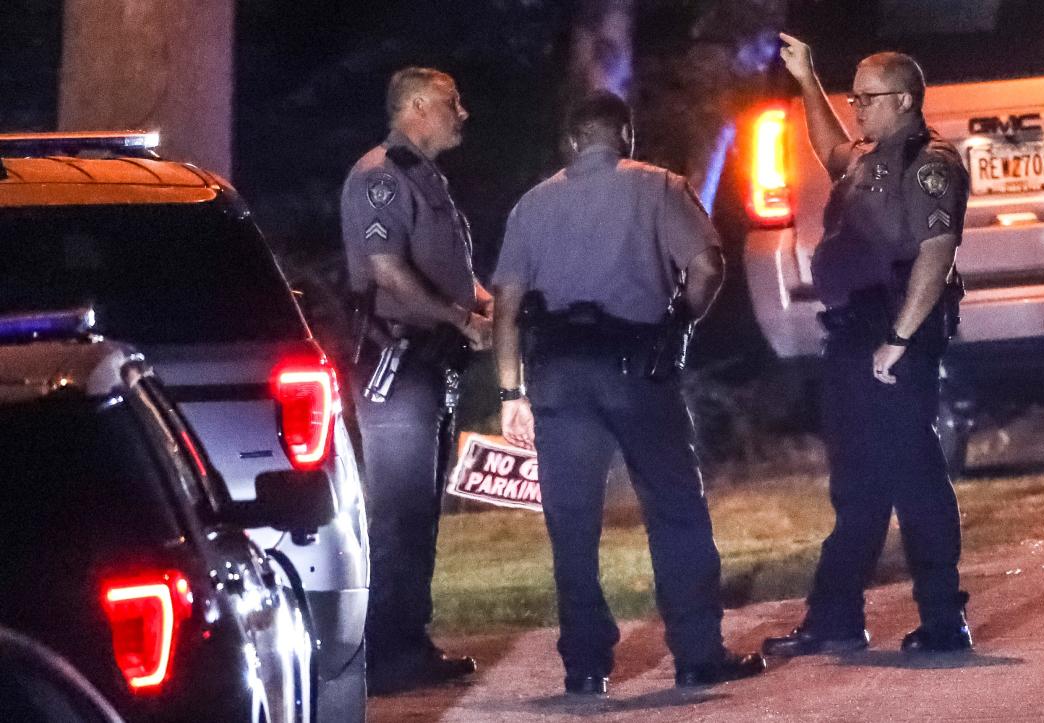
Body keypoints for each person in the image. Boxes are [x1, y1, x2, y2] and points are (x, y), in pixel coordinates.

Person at [491, 91, 766, 696]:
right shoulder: (661, 188)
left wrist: (511, 391)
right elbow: (708, 266)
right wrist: (681, 321)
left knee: (572, 523)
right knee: (674, 509)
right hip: (637, 368)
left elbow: (506, 306)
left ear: (571, 142)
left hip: (558, 373)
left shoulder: (532, 204)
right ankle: (697, 653)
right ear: (626, 136)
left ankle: (585, 666)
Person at [761, 36, 973, 657]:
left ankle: (942, 620)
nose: (856, 108)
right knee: (855, 477)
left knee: (914, 476)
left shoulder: (929, 163)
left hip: (893, 330)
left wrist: (901, 338)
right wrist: (807, 78)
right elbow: (829, 148)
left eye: (867, 97)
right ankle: (836, 617)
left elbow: (937, 254)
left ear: (904, 100)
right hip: (854, 332)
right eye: (852, 97)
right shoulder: (867, 157)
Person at [340, 66, 492, 689]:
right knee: (398, 513)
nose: (464, 113)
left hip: (429, 362)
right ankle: (386, 653)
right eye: (454, 102)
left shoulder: (424, 178)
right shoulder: (380, 176)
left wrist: (492, 306)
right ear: (420, 106)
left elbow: (450, 273)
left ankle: (408, 643)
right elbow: (386, 271)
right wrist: (462, 317)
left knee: (420, 510)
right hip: (396, 363)